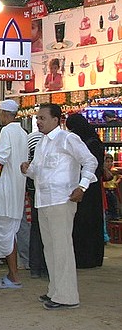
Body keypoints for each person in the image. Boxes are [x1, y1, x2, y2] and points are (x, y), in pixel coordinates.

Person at [21, 103, 98, 310]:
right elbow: (37, 171)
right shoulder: (41, 143)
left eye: (42, 118)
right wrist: (27, 170)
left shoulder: (68, 139)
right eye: (37, 118)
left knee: (62, 248)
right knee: (51, 248)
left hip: (62, 200)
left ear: (56, 120)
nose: (38, 121)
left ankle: (67, 296)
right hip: (44, 200)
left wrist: (82, 187)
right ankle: (55, 290)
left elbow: (90, 162)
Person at [0, 100, 28, 289]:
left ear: (3, 114)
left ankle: (13, 276)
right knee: (10, 233)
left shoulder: (7, 131)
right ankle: (13, 274)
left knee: (5, 234)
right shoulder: (22, 132)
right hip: (16, 189)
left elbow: (1, 158)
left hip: (4, 190)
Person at [66, 114, 105, 268]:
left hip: (82, 186)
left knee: (81, 222)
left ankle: (82, 257)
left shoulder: (83, 142)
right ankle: (95, 256)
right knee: (94, 222)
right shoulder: (95, 140)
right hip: (94, 187)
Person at [27, 130, 47, 279]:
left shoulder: (31, 139)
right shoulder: (48, 141)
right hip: (45, 193)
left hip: (35, 190)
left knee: (36, 228)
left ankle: (36, 267)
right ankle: (44, 267)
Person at [104, 153, 121, 221]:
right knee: (108, 204)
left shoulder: (114, 171)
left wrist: (116, 182)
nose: (110, 163)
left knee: (114, 203)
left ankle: (114, 216)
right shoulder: (104, 172)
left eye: (111, 162)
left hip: (112, 189)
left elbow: (120, 177)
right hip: (106, 190)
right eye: (107, 162)